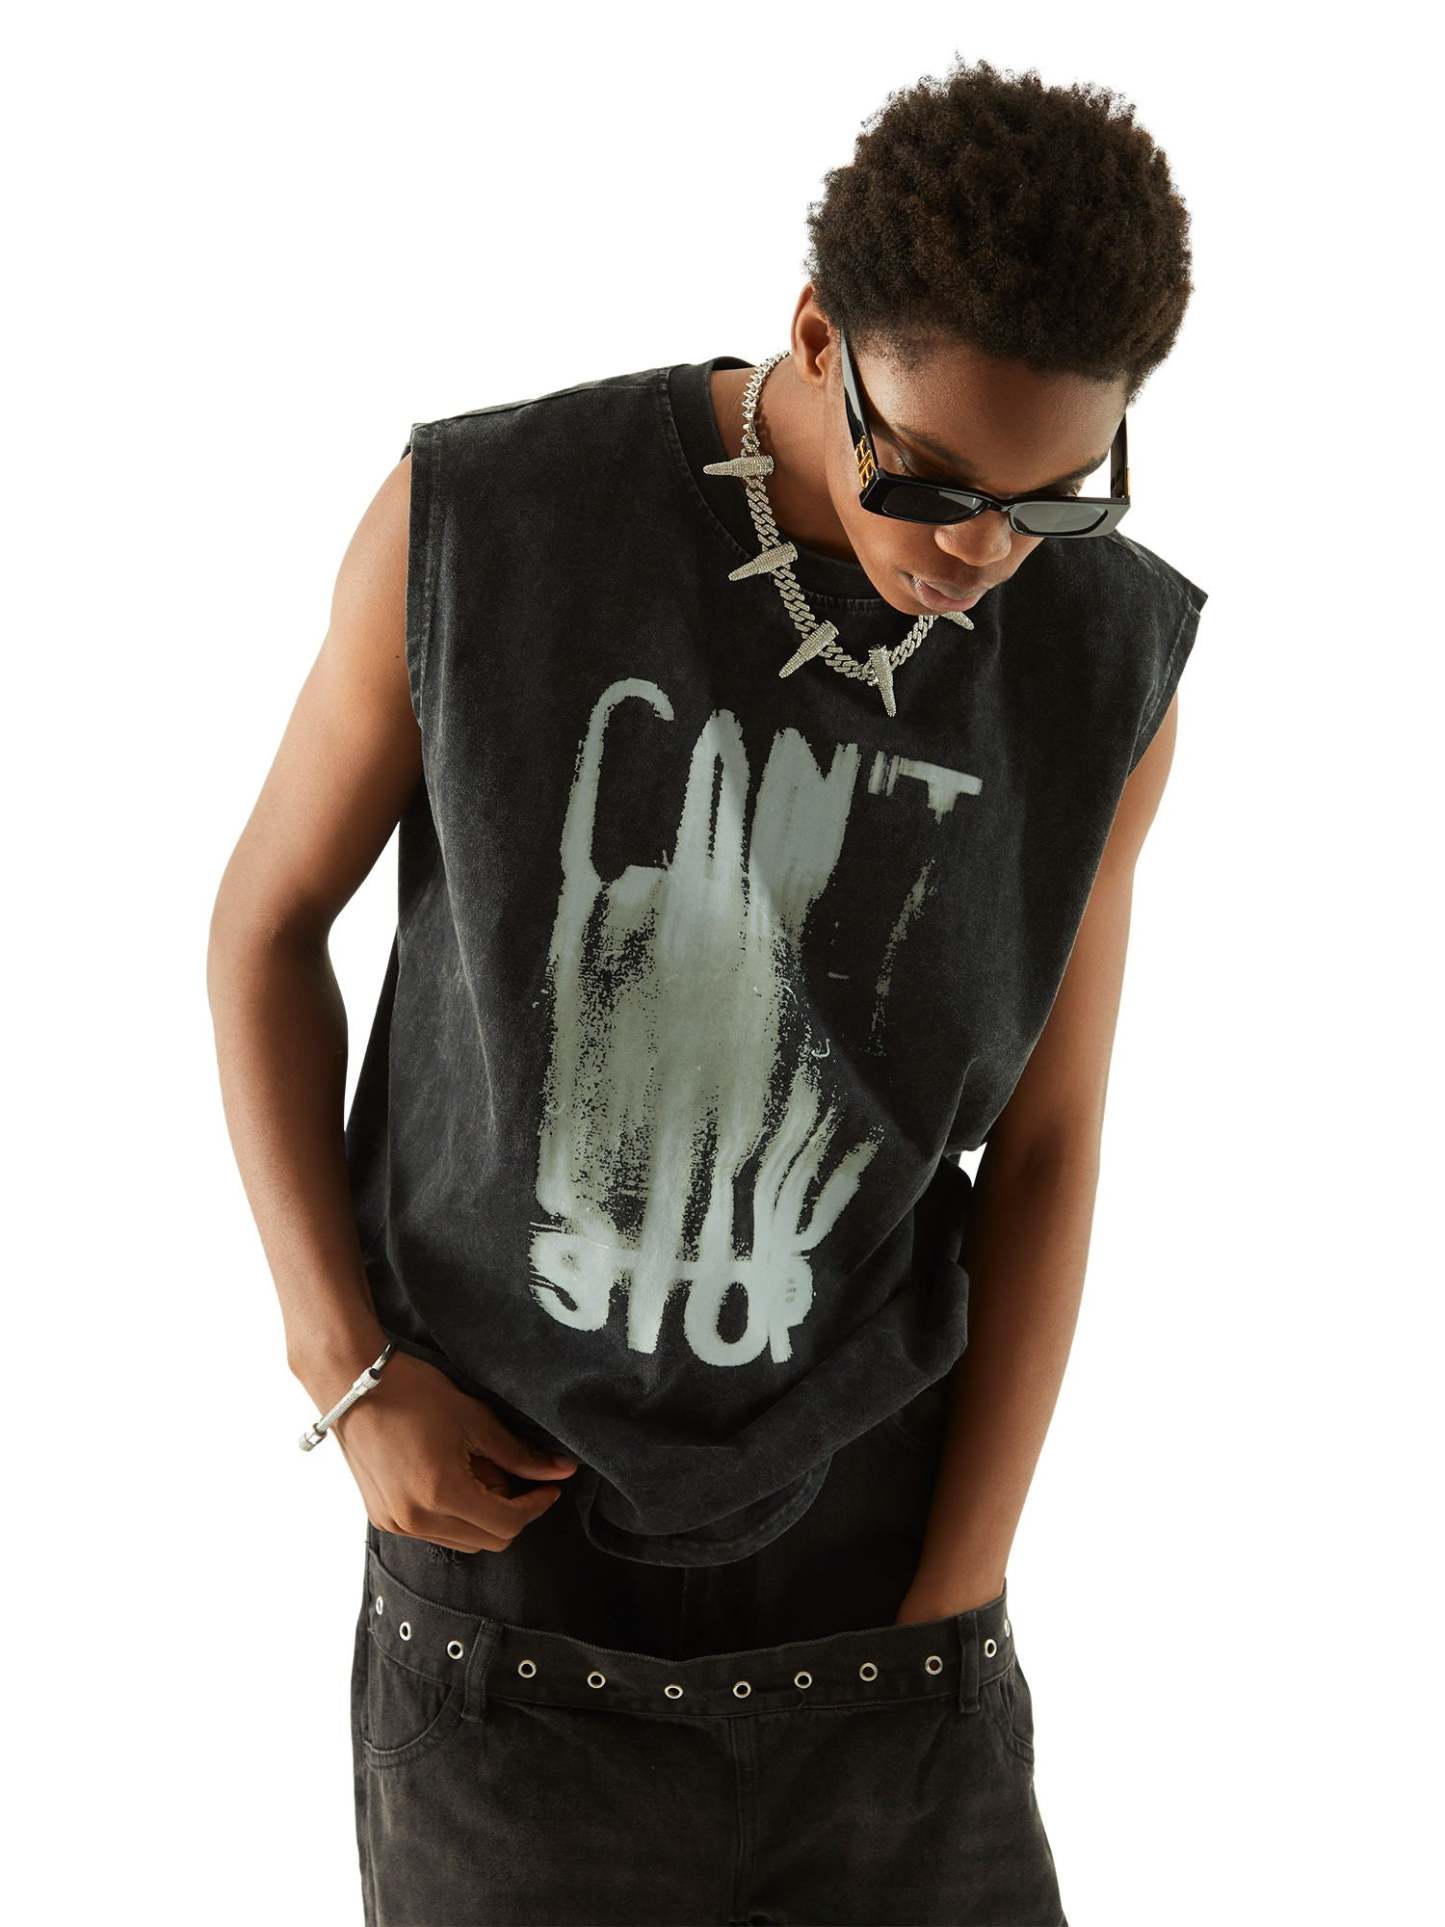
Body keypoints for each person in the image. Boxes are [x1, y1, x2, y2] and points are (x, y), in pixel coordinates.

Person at [207, 54, 1207, 1927]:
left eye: (1053, 500)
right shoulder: (484, 520)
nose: (979, 553)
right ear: (818, 335)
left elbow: (1048, 1142)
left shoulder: (1103, 657)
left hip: (879, 1565)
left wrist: (956, 1594)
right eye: (934, 481)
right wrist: (341, 1365)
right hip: (508, 1570)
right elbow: (264, 927)